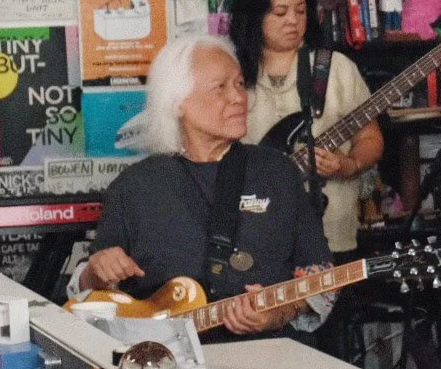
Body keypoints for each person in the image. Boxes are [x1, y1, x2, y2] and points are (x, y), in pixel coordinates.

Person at [77, 35, 332, 340]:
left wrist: (279, 313)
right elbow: (90, 289)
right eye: (220, 87)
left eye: (239, 84)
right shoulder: (134, 186)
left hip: (269, 356)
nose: (238, 97)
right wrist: (96, 270)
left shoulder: (277, 171)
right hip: (168, 365)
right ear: (177, 103)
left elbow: (321, 276)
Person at [231, 0, 383, 259]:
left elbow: (370, 138)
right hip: (253, 234)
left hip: (331, 231)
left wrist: (348, 164)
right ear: (254, 16)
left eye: (301, 11)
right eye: (280, 13)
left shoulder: (336, 68)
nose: (293, 21)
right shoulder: (231, 72)